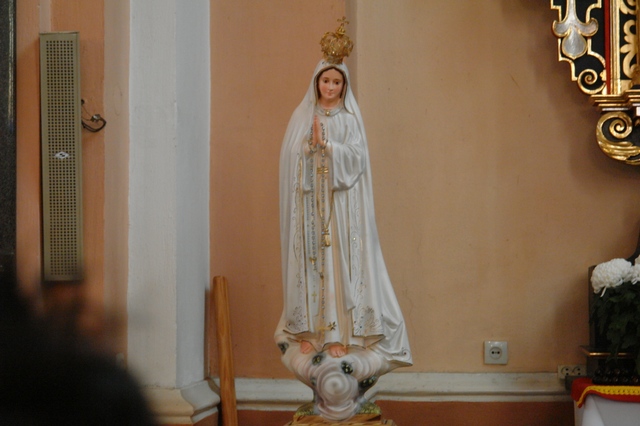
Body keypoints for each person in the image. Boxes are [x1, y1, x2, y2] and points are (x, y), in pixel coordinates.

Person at [275, 19, 412, 370]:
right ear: (316, 82)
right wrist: (309, 148)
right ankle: (309, 331)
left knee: (338, 264)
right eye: (326, 81)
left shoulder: (349, 118)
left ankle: (338, 335)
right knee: (310, 262)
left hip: (339, 206)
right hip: (311, 206)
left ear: (343, 85)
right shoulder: (303, 116)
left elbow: (357, 159)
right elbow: (292, 157)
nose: (331, 87)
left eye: (337, 82)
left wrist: (329, 146)